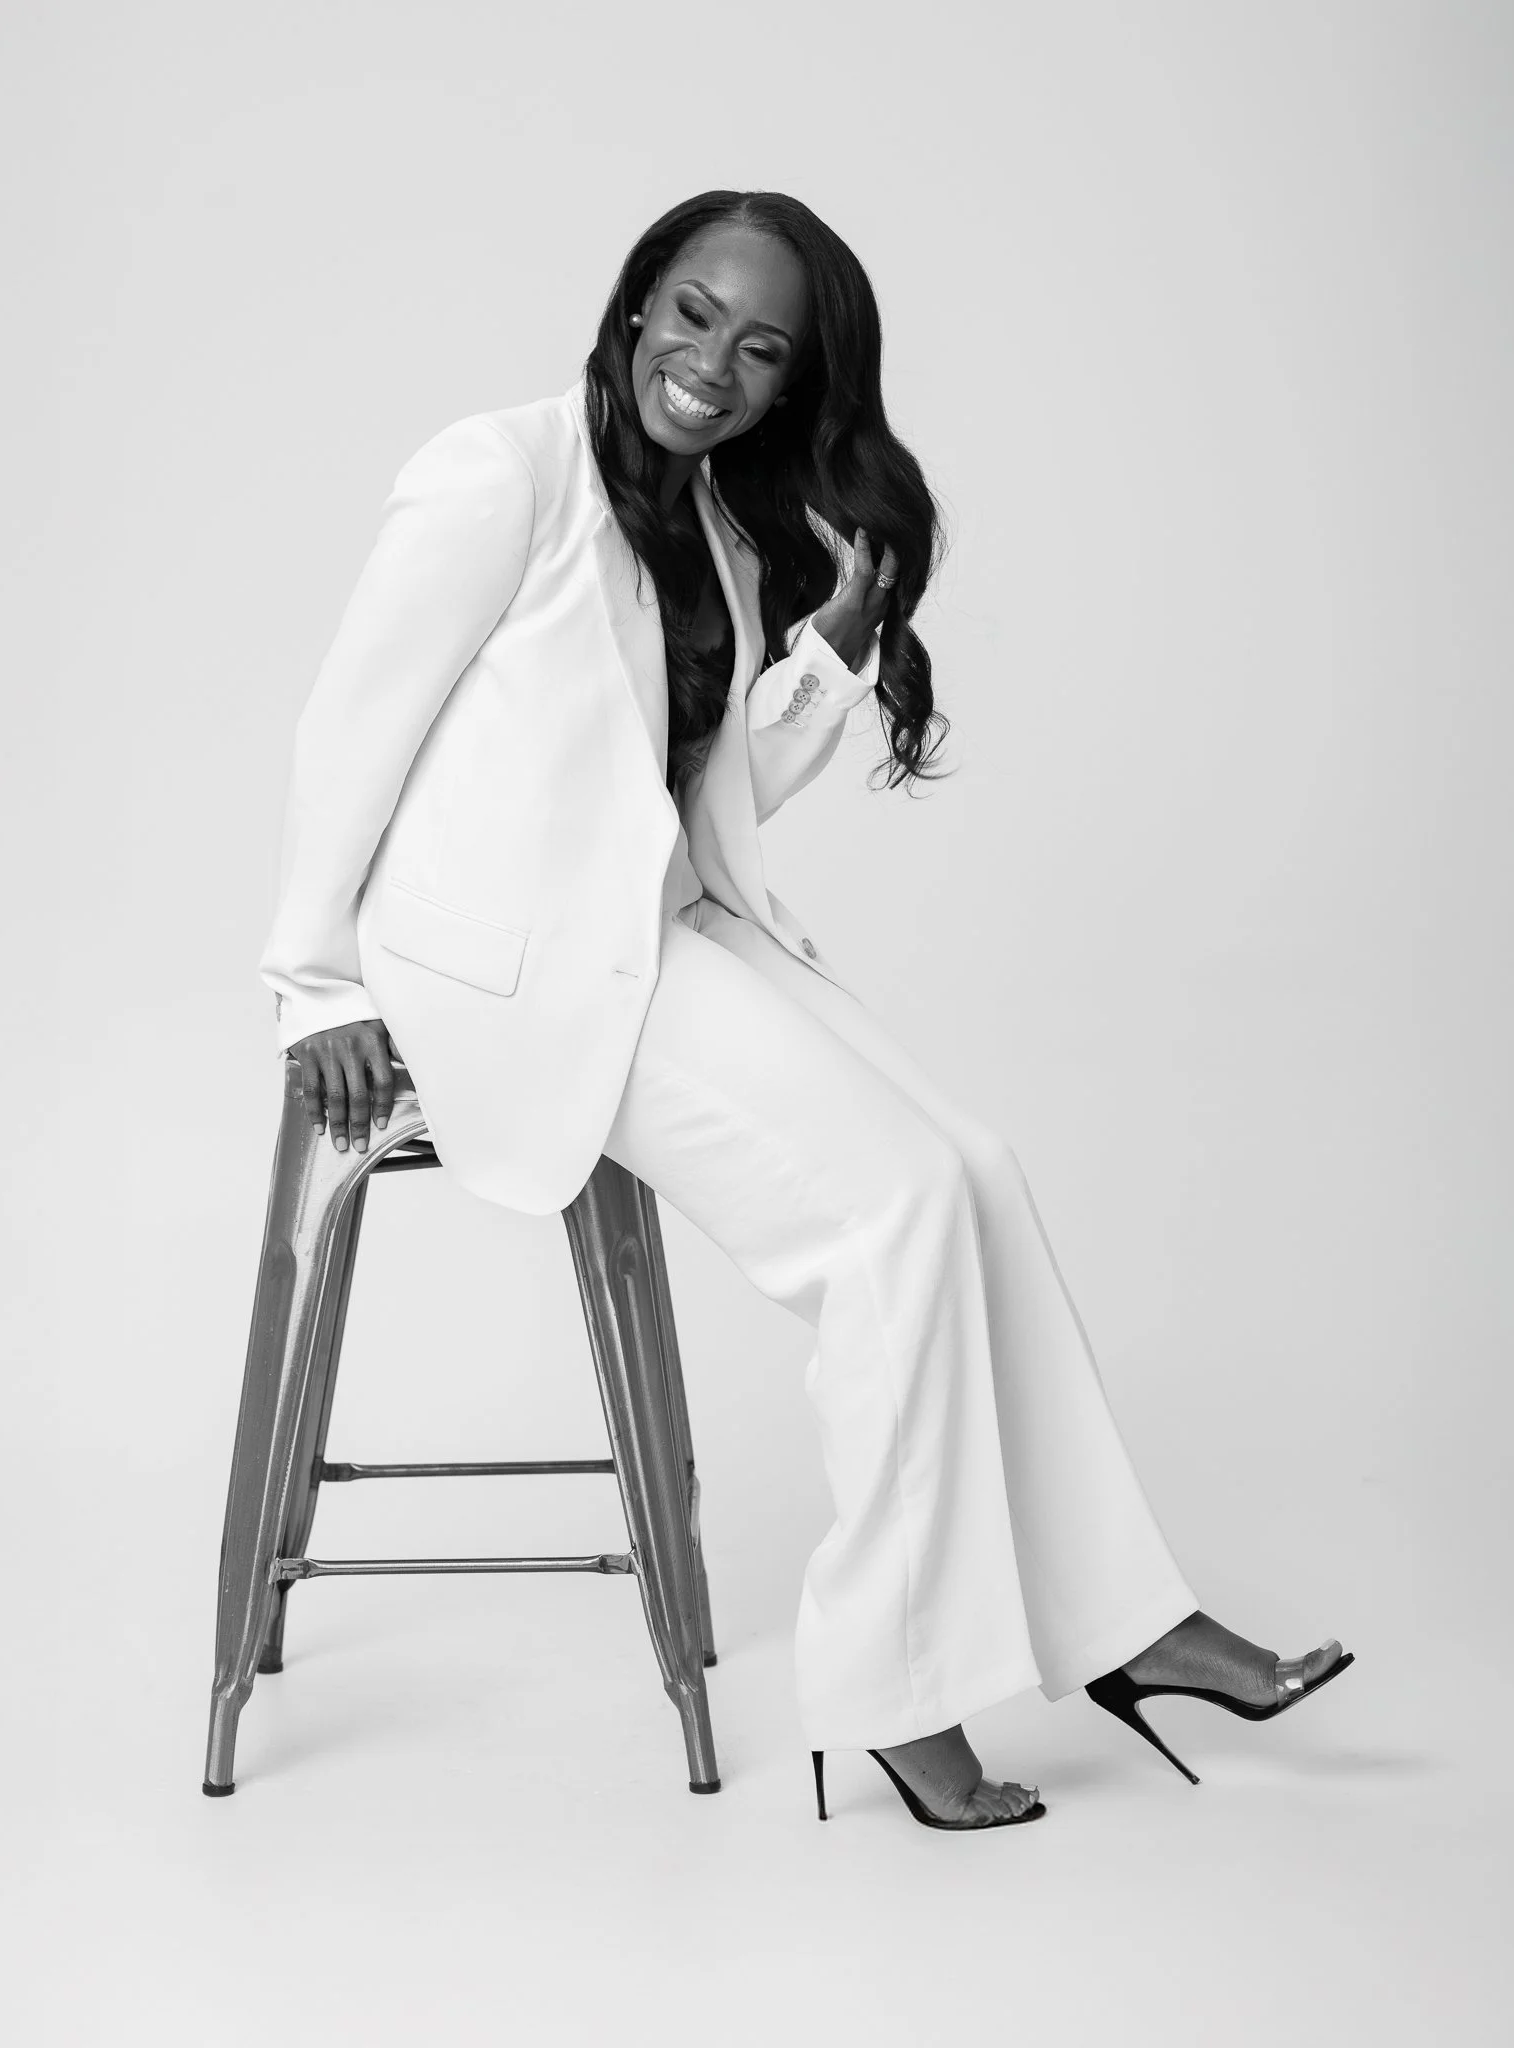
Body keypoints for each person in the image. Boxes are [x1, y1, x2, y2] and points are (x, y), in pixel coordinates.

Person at [259, 188, 1353, 1832]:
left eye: (757, 350)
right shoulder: (500, 473)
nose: (709, 364)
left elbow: (709, 795)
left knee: (973, 1170)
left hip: (659, 927)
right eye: (690, 316)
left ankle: (1133, 1625)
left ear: (791, 387)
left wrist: (833, 652)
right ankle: (902, 1696)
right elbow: (349, 726)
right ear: (634, 306)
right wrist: (314, 984)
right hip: (513, 972)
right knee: (891, 1213)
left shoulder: (704, 525)